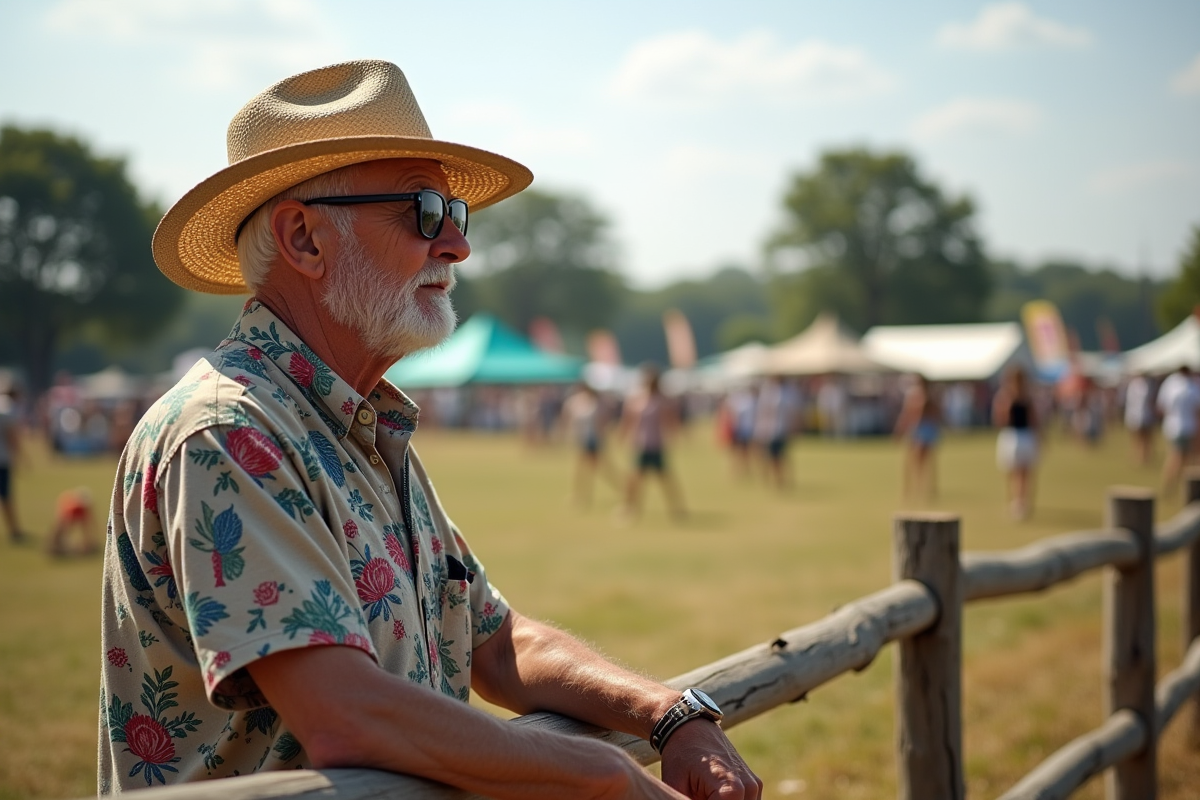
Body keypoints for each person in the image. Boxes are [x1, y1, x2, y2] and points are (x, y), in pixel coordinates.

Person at [97, 61, 757, 798]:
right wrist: (604, 775)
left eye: (456, 214)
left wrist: (669, 712)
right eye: (423, 210)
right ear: (304, 239)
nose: (457, 245)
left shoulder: (360, 424)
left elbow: (497, 643)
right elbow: (345, 713)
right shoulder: (227, 430)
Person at [620, 366, 688, 520]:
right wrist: (623, 436)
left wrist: (676, 435)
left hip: (656, 444)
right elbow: (628, 420)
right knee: (634, 480)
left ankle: (676, 509)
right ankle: (629, 508)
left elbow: (671, 421)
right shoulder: (637, 399)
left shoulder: (662, 401)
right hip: (641, 444)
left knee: (665, 478)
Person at [993, 366, 1040, 520]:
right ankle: (1017, 501)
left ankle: (1021, 502)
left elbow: (1033, 420)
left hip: (1021, 435)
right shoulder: (1007, 396)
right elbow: (1000, 418)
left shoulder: (1025, 397)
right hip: (1014, 435)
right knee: (1015, 472)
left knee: (1022, 472)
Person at [560, 382, 618, 507]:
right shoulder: (576, 402)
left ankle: (622, 487)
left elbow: (604, 420)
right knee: (582, 469)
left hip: (594, 440)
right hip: (582, 439)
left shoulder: (597, 403)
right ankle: (580, 495)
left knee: (598, 468)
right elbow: (568, 418)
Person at [893, 374, 941, 502]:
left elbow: (917, 414)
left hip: (923, 429)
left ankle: (923, 488)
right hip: (920, 429)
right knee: (913, 461)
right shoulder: (916, 395)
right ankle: (915, 489)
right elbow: (907, 414)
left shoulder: (925, 396)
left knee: (922, 461)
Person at [1157, 364, 1200, 495]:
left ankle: (1171, 485)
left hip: (1172, 426)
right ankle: (1177, 487)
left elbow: (1161, 406)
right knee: (1182, 458)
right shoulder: (1192, 387)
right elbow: (1196, 410)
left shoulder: (1170, 383)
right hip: (1188, 427)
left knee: (1177, 456)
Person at [751, 376, 795, 490]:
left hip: (779, 430)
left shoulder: (784, 393)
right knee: (767, 456)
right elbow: (763, 413)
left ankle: (779, 479)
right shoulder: (769, 393)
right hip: (768, 430)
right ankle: (770, 477)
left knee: (779, 456)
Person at [0, 384, 28, 544]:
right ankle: (14, 530)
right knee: (6, 496)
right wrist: (21, 457)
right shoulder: (9, 409)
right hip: (2, 460)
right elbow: (11, 436)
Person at [47, 486, 100, 557]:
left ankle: (56, 547)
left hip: (70, 516)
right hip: (66, 517)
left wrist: (89, 541)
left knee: (61, 533)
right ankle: (54, 547)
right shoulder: (72, 508)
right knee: (59, 532)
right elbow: (65, 525)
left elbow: (87, 526)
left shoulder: (82, 509)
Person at [1123, 372, 1155, 467]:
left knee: (1140, 438)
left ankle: (1140, 456)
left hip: (1136, 415)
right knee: (1143, 438)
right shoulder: (1144, 385)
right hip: (1141, 415)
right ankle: (1141, 457)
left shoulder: (1133, 384)